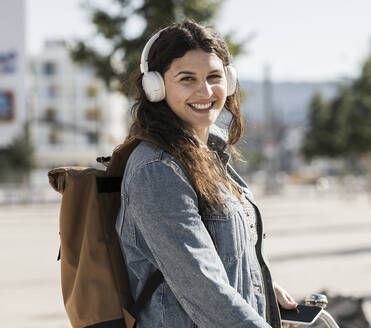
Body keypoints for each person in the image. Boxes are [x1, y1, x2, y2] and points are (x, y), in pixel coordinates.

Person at [115, 20, 297, 328]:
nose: (206, 90)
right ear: (156, 87)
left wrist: (260, 288)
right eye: (187, 79)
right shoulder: (157, 169)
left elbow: (222, 258)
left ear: (230, 81)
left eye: (214, 77)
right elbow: (201, 285)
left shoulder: (210, 155)